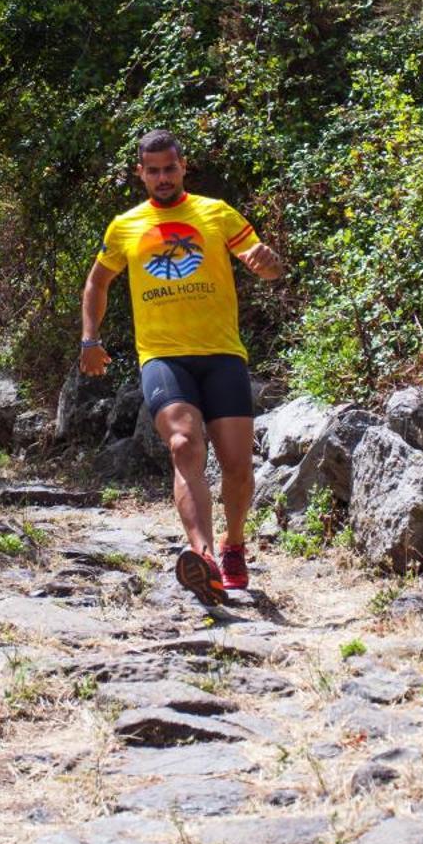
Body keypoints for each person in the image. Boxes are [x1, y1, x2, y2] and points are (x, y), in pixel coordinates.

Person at [79, 130, 287, 606]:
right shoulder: (126, 226)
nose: (162, 177)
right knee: (183, 443)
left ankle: (235, 544)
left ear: (182, 167)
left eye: (169, 168)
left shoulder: (215, 213)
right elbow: (97, 284)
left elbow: (264, 264)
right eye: (152, 170)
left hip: (222, 355)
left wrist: (268, 265)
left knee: (236, 465)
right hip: (163, 356)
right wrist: (90, 338)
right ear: (140, 173)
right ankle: (205, 557)